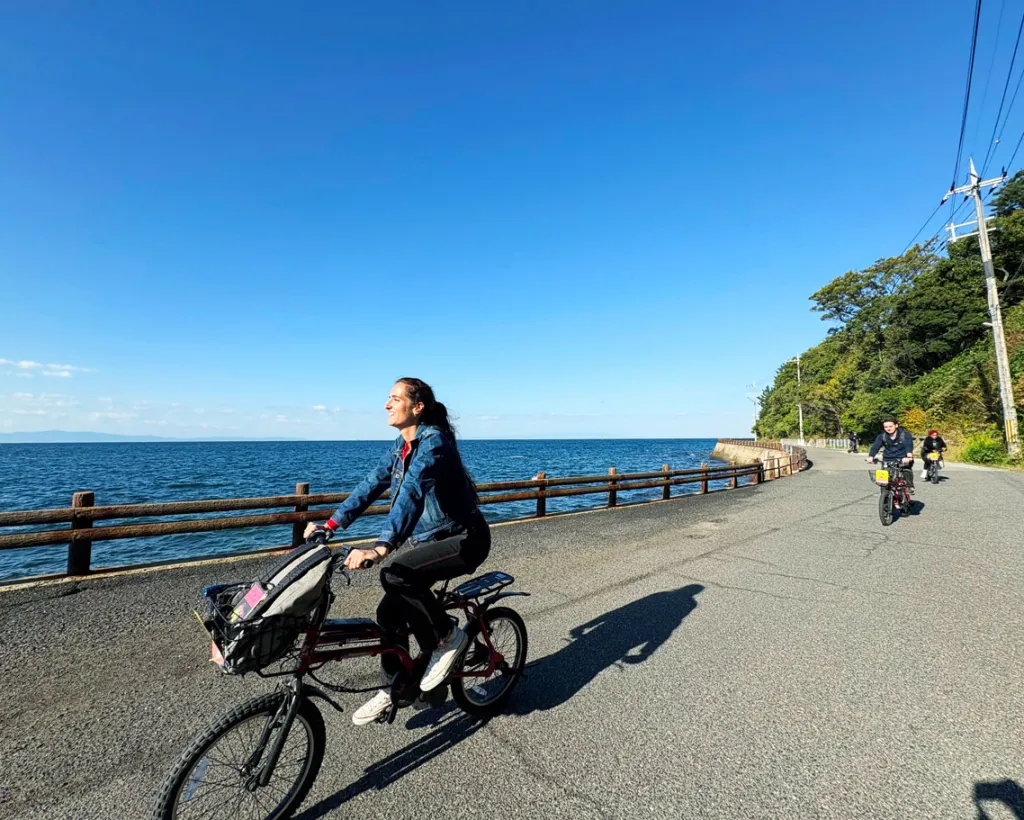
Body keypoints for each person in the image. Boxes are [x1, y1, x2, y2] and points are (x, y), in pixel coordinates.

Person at [305, 378, 490, 725]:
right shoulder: (401, 446)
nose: (387, 405)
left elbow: (413, 491)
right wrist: (330, 525)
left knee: (395, 574)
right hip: (432, 542)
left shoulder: (434, 443)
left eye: (394, 398)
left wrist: (381, 546)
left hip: (466, 539)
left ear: (417, 407)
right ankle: (393, 687)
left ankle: (448, 637)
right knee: (388, 613)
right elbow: (372, 484)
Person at [866, 416, 916, 494]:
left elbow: (908, 445)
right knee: (884, 479)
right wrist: (871, 456)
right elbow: (875, 446)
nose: (888, 428)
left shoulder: (905, 435)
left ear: (896, 425)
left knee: (906, 470)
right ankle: (885, 497)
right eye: (886, 427)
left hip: (903, 458)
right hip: (888, 458)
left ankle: (910, 487)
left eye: (890, 426)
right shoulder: (882, 436)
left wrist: (909, 456)